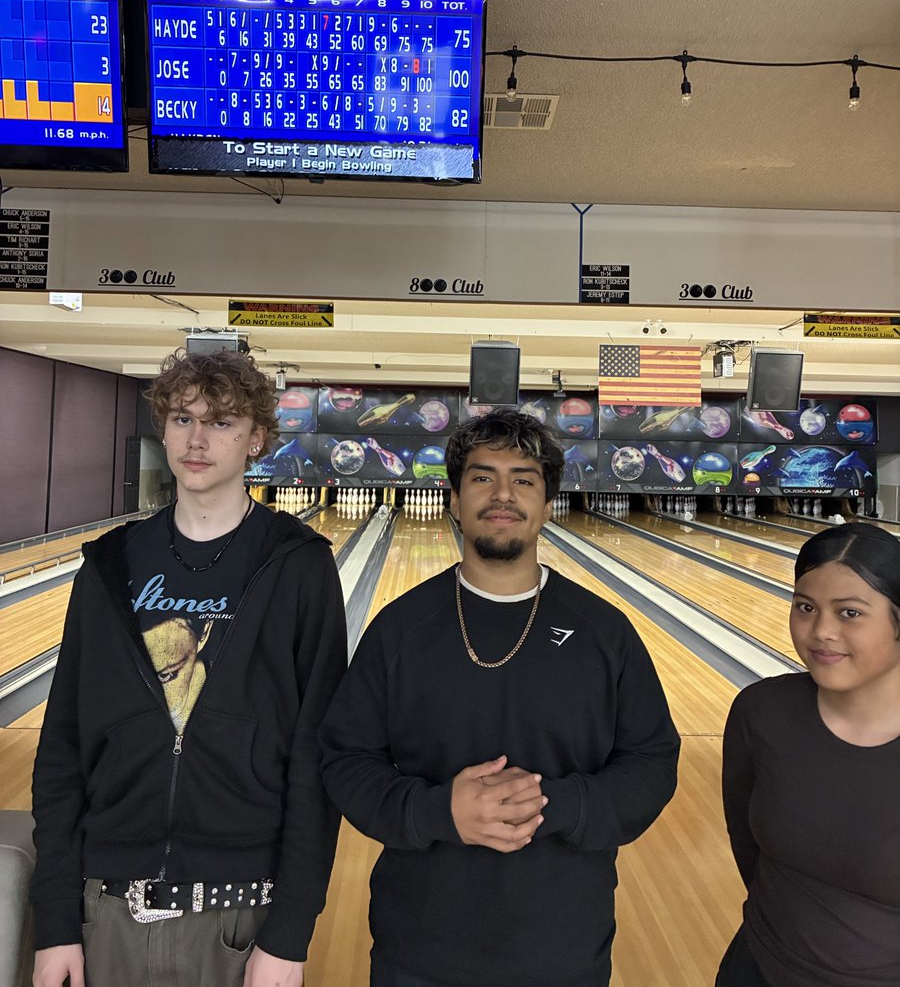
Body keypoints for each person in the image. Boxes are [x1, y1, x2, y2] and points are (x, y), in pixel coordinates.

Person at [319, 409, 679, 987]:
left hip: (563, 950)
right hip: (418, 949)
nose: (503, 495)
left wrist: (550, 806)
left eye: (524, 479)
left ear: (547, 500)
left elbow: (652, 764)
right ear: (454, 500)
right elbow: (344, 760)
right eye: (483, 478)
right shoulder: (400, 629)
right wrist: (440, 812)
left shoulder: (603, 632)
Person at [30, 349, 347, 987]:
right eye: (182, 419)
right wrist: (56, 919)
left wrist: (290, 932)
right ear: (164, 428)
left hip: (240, 914)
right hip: (106, 908)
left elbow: (318, 754)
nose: (196, 439)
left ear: (256, 438)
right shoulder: (110, 565)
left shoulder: (299, 565)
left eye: (222, 422)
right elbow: (62, 743)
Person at [718, 522, 900, 987]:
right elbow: (747, 842)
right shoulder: (761, 712)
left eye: (850, 613)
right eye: (805, 606)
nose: (821, 631)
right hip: (757, 968)